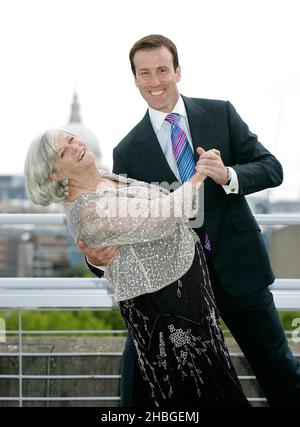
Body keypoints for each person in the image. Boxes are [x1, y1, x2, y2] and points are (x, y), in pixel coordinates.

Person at [79, 34, 300, 407]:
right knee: (140, 379)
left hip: (238, 271)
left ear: (177, 71)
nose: (155, 82)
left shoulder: (220, 114)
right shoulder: (128, 151)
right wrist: (95, 261)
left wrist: (228, 174)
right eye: (144, 73)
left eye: (162, 70)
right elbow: (121, 226)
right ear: (134, 79)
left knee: (278, 372)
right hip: (173, 287)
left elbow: (271, 169)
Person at [24, 129, 250, 407]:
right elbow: (163, 217)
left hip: (188, 297)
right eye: (63, 151)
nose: (75, 146)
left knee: (212, 382)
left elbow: (167, 209)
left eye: (71, 139)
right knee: (202, 391)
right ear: (55, 175)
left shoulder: (106, 178)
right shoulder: (88, 209)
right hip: (165, 308)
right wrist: (200, 173)